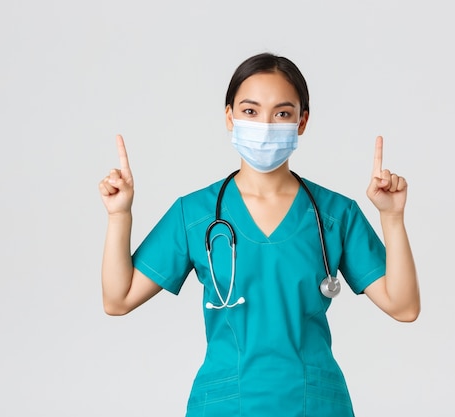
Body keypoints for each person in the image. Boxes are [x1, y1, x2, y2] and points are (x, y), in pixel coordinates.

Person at [98, 52, 420, 417]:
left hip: (313, 405)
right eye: (250, 111)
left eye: (282, 113)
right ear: (229, 116)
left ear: (302, 121)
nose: (265, 124)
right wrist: (120, 215)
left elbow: (404, 306)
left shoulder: (334, 214)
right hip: (225, 405)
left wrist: (392, 218)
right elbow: (118, 299)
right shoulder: (196, 213)